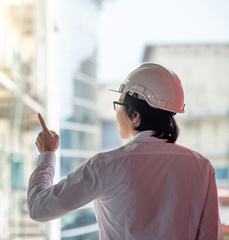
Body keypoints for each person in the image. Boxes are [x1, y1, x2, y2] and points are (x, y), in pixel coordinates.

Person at [27, 63, 223, 239]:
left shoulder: (107, 165)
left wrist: (47, 154)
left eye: (119, 105)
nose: (117, 113)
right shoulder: (202, 167)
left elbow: (39, 208)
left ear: (135, 115)